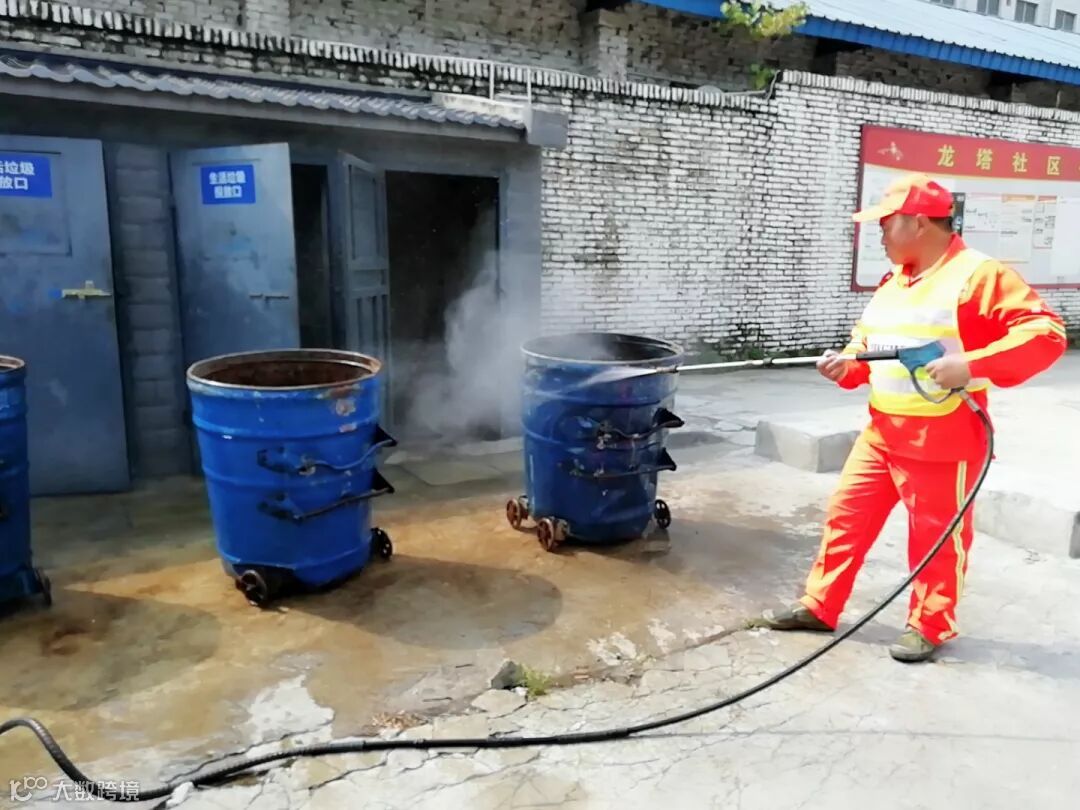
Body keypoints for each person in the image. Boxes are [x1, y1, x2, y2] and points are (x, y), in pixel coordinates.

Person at [757, 173, 1068, 663]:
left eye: (885, 224)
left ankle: (929, 625)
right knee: (846, 519)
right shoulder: (894, 282)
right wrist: (846, 363)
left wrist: (971, 365)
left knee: (936, 538)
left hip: (943, 438)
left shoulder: (978, 276)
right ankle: (820, 605)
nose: (879, 234)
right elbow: (867, 345)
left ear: (918, 223)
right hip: (881, 433)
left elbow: (1046, 334)